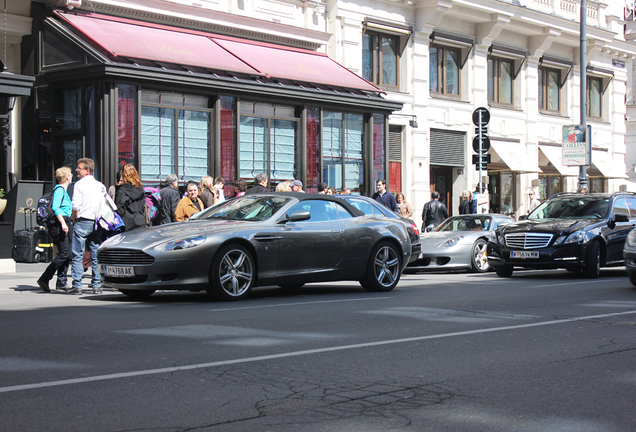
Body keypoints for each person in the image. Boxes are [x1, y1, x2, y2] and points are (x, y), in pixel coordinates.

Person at [70, 158, 106, 295]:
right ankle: (97, 284)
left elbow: (75, 205)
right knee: (95, 253)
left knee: (77, 253)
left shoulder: (79, 185)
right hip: (96, 222)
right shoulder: (100, 185)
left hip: (83, 220)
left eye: (79, 168)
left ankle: (77, 285)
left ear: (87, 170)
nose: (76, 170)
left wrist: (74, 219)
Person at [37, 166, 73, 293]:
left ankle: (62, 282)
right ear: (67, 177)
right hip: (60, 224)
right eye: (70, 174)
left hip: (64, 223)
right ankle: (45, 278)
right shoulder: (59, 191)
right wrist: (63, 223)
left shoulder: (62, 191)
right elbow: (56, 208)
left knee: (65, 253)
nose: (72, 176)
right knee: (65, 253)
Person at [115, 163, 146, 231]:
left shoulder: (122, 190)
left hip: (127, 224)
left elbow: (120, 210)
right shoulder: (140, 189)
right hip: (140, 222)